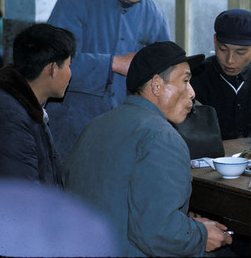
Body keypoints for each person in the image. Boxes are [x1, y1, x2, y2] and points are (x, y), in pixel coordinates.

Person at [61, 41, 232, 256]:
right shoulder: (162, 137)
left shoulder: (99, 123)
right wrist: (201, 236)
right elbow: (156, 232)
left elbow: (117, 201)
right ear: (157, 85)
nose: (192, 93)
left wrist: (187, 223)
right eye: (186, 81)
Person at [46, 0, 171, 160]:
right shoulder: (75, 2)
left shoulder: (154, 14)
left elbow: (165, 75)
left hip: (128, 134)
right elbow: (51, 66)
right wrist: (113, 64)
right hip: (74, 132)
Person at [0, 24, 76, 186]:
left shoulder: (25, 105)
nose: (70, 74)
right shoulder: (10, 115)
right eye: (69, 65)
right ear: (53, 69)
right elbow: (22, 196)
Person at [190, 9, 251, 140]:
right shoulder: (197, 75)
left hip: (250, 151)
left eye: (240, 52)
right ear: (215, 41)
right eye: (223, 49)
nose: (230, 60)